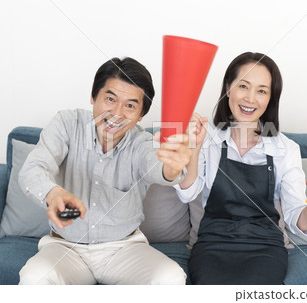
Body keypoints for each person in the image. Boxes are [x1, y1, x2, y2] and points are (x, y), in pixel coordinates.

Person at [18, 57, 192, 285]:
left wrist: (172, 167)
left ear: (141, 115)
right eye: (110, 99)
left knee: (171, 277)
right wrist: (53, 193)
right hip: (65, 247)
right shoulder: (67, 124)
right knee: (34, 277)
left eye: (130, 105)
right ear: (93, 97)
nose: (117, 113)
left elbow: (160, 168)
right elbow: (33, 169)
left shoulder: (142, 143)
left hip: (123, 250)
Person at [175, 52, 307, 285]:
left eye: (262, 90)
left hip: (265, 248)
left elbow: (298, 222)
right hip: (213, 244)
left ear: (271, 98)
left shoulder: (285, 149)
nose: (250, 98)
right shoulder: (206, 137)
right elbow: (187, 193)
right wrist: (194, 148)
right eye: (243, 86)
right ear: (228, 88)